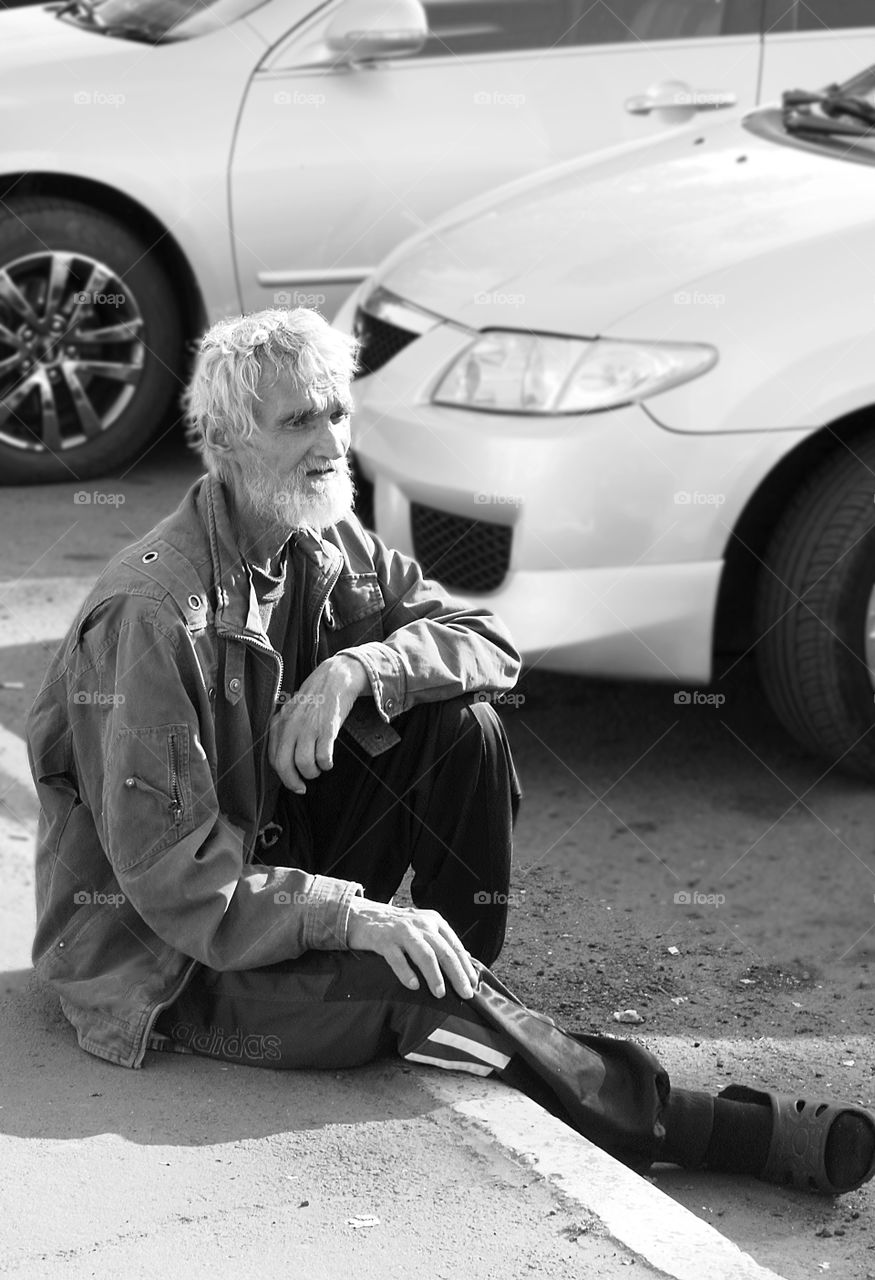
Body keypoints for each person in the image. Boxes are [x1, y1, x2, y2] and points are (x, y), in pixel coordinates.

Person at [26, 308, 875, 1196]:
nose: (331, 443)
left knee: (463, 728)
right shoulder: (151, 617)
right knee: (411, 993)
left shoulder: (321, 537)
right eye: (299, 421)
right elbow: (178, 885)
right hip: (170, 962)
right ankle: (696, 1124)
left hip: (272, 856)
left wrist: (362, 668)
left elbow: (487, 642)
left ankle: (464, 992)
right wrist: (356, 919)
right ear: (229, 442)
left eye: (337, 413)